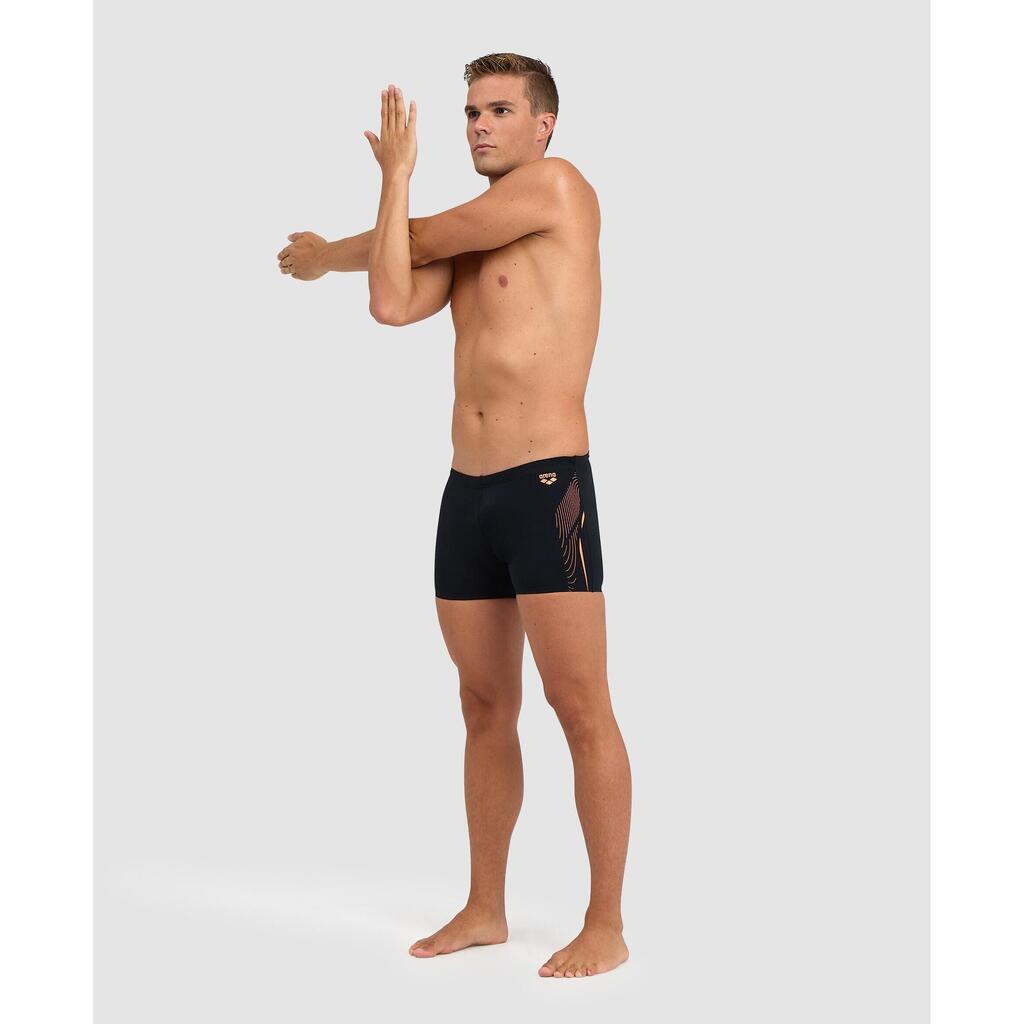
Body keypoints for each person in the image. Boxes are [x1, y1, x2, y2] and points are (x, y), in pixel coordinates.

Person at [276, 53, 631, 980]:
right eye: (472, 111)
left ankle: (605, 922)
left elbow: (422, 233)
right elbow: (393, 299)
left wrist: (325, 252)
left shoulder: (557, 186)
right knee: (482, 706)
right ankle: (485, 907)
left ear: (543, 125)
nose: (479, 125)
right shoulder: (472, 235)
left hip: (547, 488)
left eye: (500, 110)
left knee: (579, 705)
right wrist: (392, 183)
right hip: (467, 495)